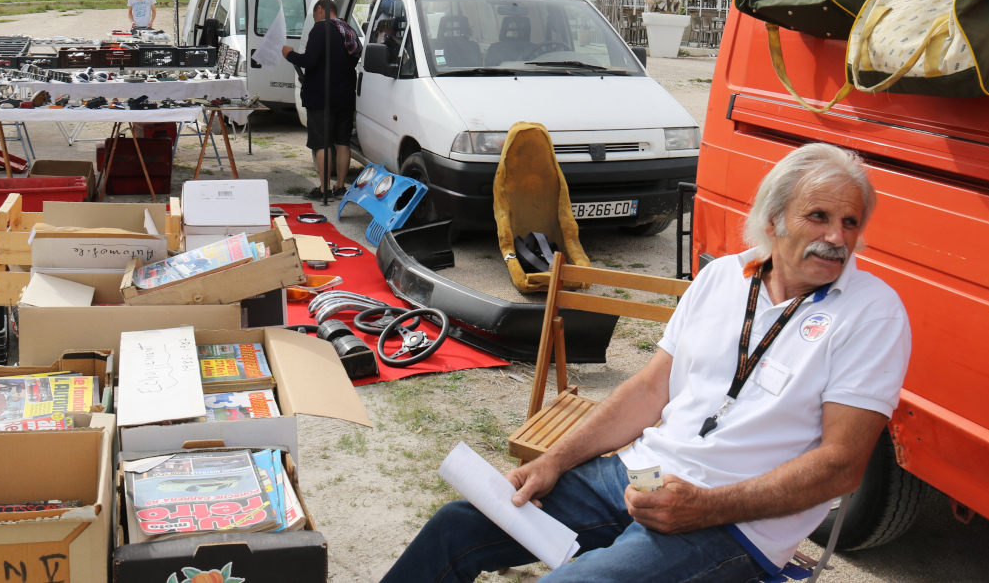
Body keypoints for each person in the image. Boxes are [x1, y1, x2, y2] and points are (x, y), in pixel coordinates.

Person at [381, 143, 912, 583]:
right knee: (457, 526)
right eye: (818, 216)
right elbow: (649, 388)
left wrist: (706, 507)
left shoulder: (872, 312)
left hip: (733, 525)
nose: (838, 237)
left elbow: (842, 463)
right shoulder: (725, 276)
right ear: (773, 220)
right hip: (644, 475)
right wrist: (553, 461)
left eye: (850, 222)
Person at [283, 0, 360, 199]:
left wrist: (290, 55)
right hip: (345, 96)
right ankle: (341, 187)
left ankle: (325, 189)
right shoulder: (348, 31)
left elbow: (310, 60)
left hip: (321, 97)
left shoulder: (320, 29)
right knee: (342, 142)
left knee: (322, 143)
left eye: (315, 14)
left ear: (320, 10)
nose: (315, 18)